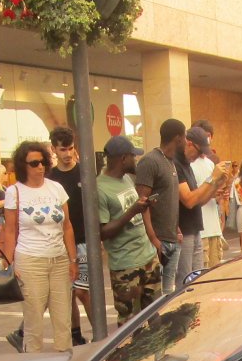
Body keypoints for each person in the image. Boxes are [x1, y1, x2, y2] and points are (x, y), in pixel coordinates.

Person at [0, 140, 77, 351]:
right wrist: (9, 263)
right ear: (23, 166)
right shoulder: (14, 192)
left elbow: (67, 226)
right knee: (34, 322)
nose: (40, 166)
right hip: (30, 260)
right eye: (34, 163)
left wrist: (72, 259)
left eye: (43, 161)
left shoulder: (56, 188)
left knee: (63, 320)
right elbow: (10, 230)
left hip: (59, 259)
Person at [96, 136, 159, 325]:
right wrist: (132, 211)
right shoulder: (100, 188)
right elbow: (102, 232)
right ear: (123, 159)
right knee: (130, 324)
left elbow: (135, 211)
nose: (136, 159)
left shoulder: (126, 179)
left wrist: (143, 206)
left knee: (155, 317)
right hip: (126, 265)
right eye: (133, 156)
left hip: (147, 258)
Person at [47, 126, 90, 346]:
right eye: (62, 149)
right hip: (60, 242)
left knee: (83, 291)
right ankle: (75, 333)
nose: (67, 153)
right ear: (54, 149)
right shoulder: (50, 178)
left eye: (70, 148)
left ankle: (99, 333)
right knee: (68, 293)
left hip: (83, 239)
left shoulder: (85, 172)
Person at [133, 118, 184, 293]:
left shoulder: (170, 162)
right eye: (184, 137)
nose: (186, 142)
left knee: (168, 293)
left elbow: (168, 198)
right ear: (178, 138)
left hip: (172, 238)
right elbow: (142, 203)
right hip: (158, 241)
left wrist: (177, 229)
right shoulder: (150, 161)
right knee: (156, 294)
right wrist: (153, 239)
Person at [177, 126, 227, 275]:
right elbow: (189, 201)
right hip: (184, 231)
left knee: (199, 277)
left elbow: (199, 201)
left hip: (196, 229)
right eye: (199, 152)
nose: (200, 156)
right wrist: (211, 179)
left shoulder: (187, 164)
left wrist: (216, 183)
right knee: (186, 278)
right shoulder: (177, 164)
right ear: (189, 144)